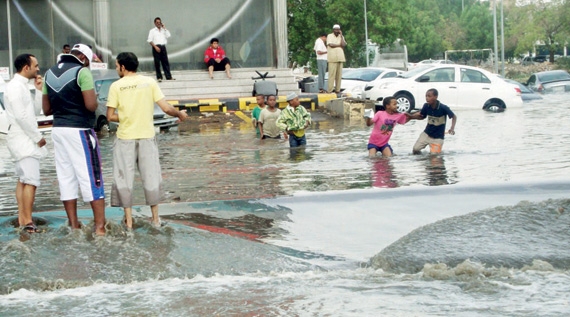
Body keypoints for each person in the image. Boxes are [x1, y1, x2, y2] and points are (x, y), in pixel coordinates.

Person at [106, 52, 188, 229]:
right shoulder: (149, 82)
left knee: (124, 179)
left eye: (116, 65)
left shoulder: (116, 86)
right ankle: (156, 219)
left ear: (122, 66)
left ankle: (128, 222)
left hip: (125, 138)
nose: (116, 68)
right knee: (151, 176)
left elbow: (110, 116)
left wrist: (127, 116)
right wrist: (179, 113)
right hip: (147, 137)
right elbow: (166, 108)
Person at [42, 43, 107, 236]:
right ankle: (100, 228)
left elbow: (46, 110)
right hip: (79, 130)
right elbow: (90, 105)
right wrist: (93, 97)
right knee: (91, 177)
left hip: (59, 130)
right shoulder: (82, 72)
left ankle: (74, 225)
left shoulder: (49, 73)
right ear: (84, 59)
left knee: (66, 177)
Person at [4, 54, 47, 233]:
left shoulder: (22, 86)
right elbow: (22, 117)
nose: (38, 69)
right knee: (31, 180)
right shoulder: (15, 87)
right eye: (35, 66)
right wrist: (38, 137)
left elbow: (34, 112)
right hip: (23, 140)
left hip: (23, 138)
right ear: (26, 67)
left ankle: (24, 219)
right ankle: (28, 221)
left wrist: (38, 90)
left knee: (23, 180)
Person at [407, 88, 457, 154]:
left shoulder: (443, 108)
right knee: (415, 149)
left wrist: (452, 128)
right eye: (426, 96)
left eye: (429, 96)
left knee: (434, 156)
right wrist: (410, 117)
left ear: (436, 97)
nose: (427, 98)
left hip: (438, 138)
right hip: (426, 134)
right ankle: (422, 161)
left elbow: (454, 117)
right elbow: (422, 116)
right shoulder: (426, 106)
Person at [147, 17, 174, 82]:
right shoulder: (152, 31)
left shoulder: (163, 30)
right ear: (155, 23)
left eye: (159, 22)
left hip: (163, 47)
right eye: (157, 23)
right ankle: (159, 77)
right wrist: (155, 47)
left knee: (165, 62)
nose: (158, 24)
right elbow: (149, 40)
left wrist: (164, 28)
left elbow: (168, 35)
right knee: (157, 63)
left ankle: (168, 76)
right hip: (156, 46)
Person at [326, 24, 346, 94]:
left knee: (339, 75)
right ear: (333, 30)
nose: (337, 31)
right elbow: (330, 45)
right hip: (332, 58)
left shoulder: (341, 37)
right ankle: (330, 90)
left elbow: (343, 45)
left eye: (338, 29)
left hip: (340, 57)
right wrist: (339, 45)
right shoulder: (329, 36)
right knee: (331, 75)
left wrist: (341, 36)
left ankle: (337, 90)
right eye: (336, 29)